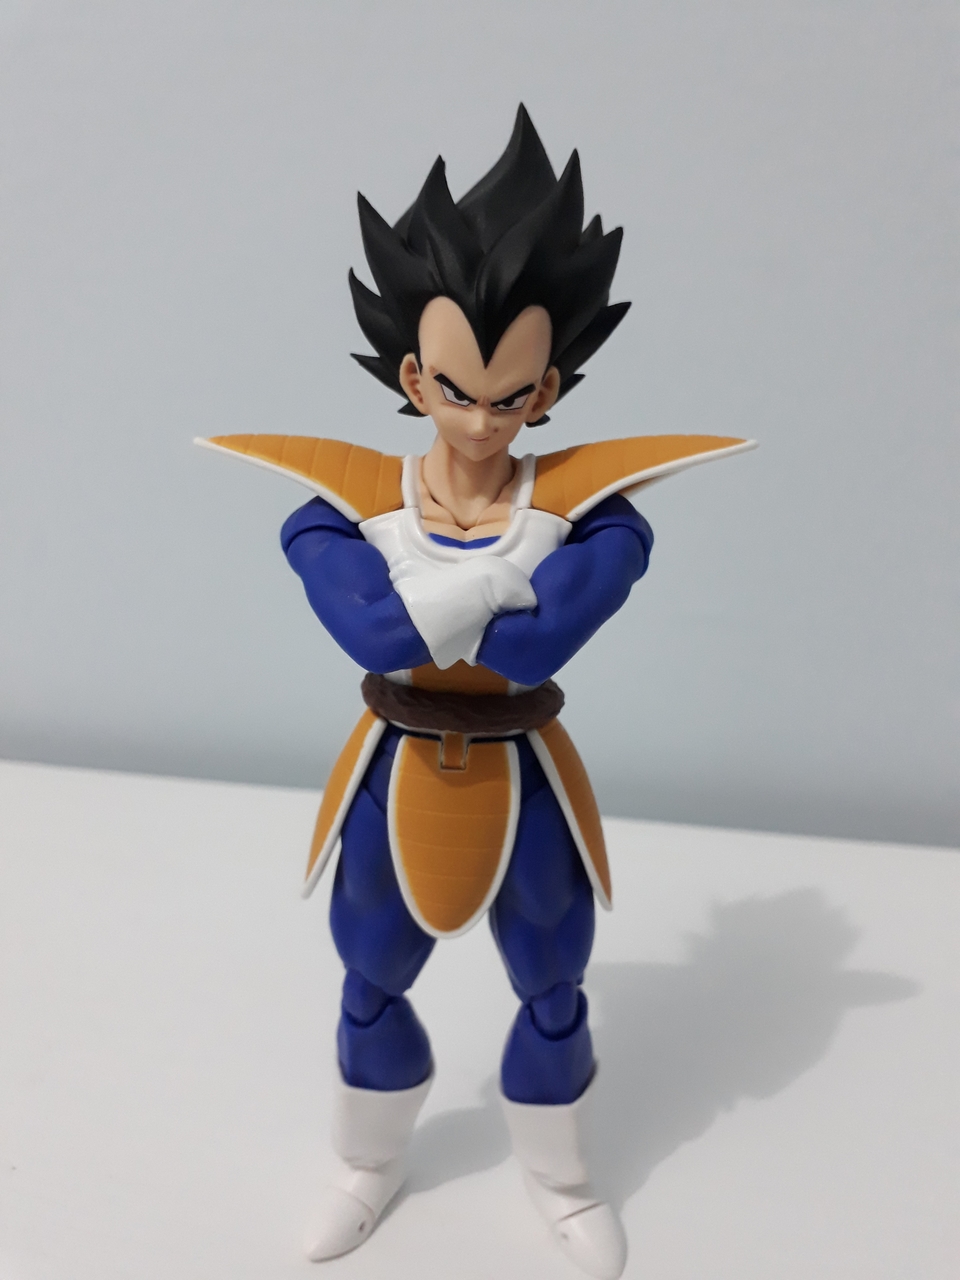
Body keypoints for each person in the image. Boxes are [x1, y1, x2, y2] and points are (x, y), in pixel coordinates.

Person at [198, 105, 753, 1280]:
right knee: (370, 977)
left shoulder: (600, 511)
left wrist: (465, 585)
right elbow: (375, 627)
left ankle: (561, 1177)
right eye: (458, 389)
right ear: (413, 375)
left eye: (511, 396)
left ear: (548, 388)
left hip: (523, 771)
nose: (484, 419)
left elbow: (534, 651)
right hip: (396, 770)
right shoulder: (337, 502)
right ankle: (367, 1162)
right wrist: (503, 572)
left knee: (553, 983)